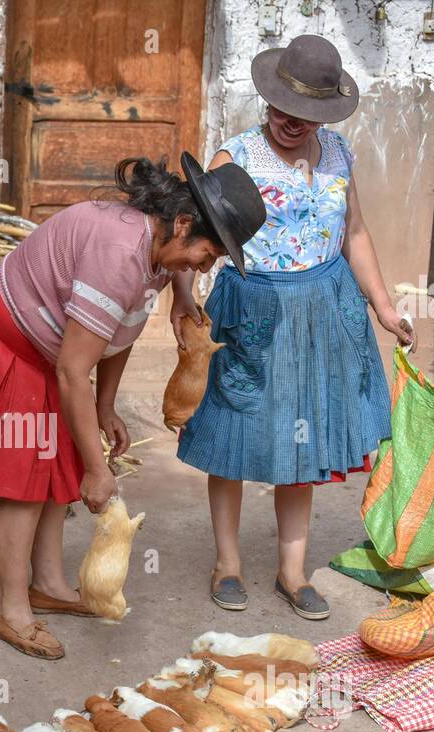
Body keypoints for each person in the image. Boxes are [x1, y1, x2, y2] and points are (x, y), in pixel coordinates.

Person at [0, 154, 265, 659]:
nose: (203, 268)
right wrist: (101, 471)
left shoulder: (159, 253)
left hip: (51, 355)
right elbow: (72, 371)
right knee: (24, 484)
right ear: (184, 223)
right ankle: (10, 609)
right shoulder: (119, 255)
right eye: (207, 255)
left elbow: (119, 332)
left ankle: (50, 585)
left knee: (60, 467)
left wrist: (105, 409)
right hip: (10, 345)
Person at [172, 34, 414, 622]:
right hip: (252, 308)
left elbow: (353, 233)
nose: (291, 122)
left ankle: (292, 570)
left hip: (323, 309)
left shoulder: (337, 153)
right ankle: (227, 564)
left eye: (306, 114)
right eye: (283, 108)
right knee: (235, 434)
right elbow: (190, 232)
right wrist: (182, 296)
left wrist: (383, 306)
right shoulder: (237, 158)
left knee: (301, 442)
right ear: (268, 97)